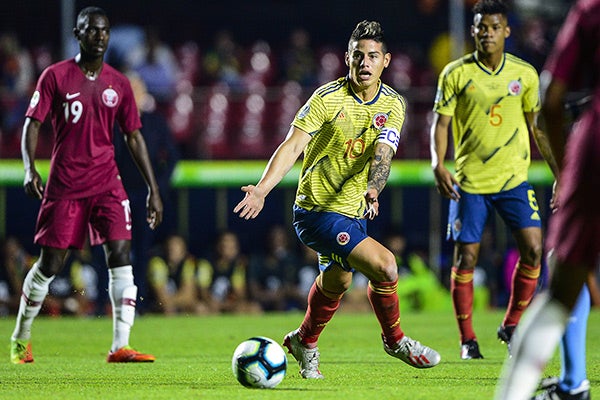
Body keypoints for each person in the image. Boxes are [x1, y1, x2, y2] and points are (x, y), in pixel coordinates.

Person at [234, 20, 441, 379]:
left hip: (354, 211)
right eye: (358, 55)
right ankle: (395, 340)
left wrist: (374, 188)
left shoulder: (393, 104)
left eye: (372, 56)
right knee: (387, 266)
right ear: (347, 58)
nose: (364, 63)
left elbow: (383, 155)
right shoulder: (327, 98)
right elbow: (293, 145)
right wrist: (263, 189)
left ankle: (304, 341)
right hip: (315, 211)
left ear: (386, 61)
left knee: (338, 283)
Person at [10, 6, 163, 364]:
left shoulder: (119, 83)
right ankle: (20, 336)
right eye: (91, 30)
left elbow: (134, 137)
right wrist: (30, 168)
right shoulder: (55, 77)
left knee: (121, 255)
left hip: (107, 183)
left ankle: (120, 346)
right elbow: (32, 124)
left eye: (104, 30)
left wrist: (153, 189)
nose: (99, 36)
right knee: (52, 263)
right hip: (65, 185)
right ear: (78, 35)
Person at [429, 0, 559, 359]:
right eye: (480, 27)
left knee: (534, 249)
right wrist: (438, 162)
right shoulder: (455, 73)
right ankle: (468, 340)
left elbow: (539, 129)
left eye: (493, 27)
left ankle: (512, 324)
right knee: (466, 258)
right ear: (472, 31)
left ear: (506, 31)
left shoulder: (525, 74)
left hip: (514, 180)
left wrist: (560, 175)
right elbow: (440, 124)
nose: (487, 33)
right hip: (470, 182)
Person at [494, 0, 599, 398]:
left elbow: (549, 104)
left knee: (563, 275)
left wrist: (566, 172)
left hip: (594, 148)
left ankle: (565, 386)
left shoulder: (589, 13)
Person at [114, 72, 179, 313]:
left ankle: (137, 305)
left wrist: (157, 188)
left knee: (141, 250)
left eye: (136, 90)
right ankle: (105, 303)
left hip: (144, 195)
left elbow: (171, 157)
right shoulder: (112, 122)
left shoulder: (155, 121)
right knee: (113, 252)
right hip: (116, 195)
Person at [146, 234, 204, 315]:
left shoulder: (188, 263)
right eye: (170, 246)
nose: (172, 250)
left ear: (183, 251)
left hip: (176, 303)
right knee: (168, 308)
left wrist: (174, 301)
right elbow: (161, 298)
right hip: (157, 305)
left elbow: (189, 296)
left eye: (176, 247)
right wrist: (176, 301)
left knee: (200, 308)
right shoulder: (157, 263)